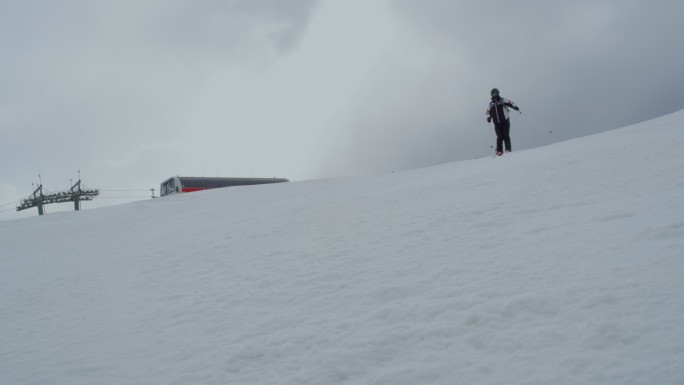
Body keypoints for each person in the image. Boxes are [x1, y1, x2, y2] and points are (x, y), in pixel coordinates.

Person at [486, 88, 519, 156]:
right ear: (491, 95)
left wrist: (515, 107)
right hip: (497, 123)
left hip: (505, 121)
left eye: (495, 93)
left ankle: (508, 149)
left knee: (506, 135)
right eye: (493, 94)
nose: (494, 95)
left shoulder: (502, 100)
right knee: (499, 137)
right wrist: (489, 117)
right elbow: (487, 112)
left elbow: (511, 102)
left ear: (498, 93)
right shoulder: (491, 104)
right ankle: (499, 151)